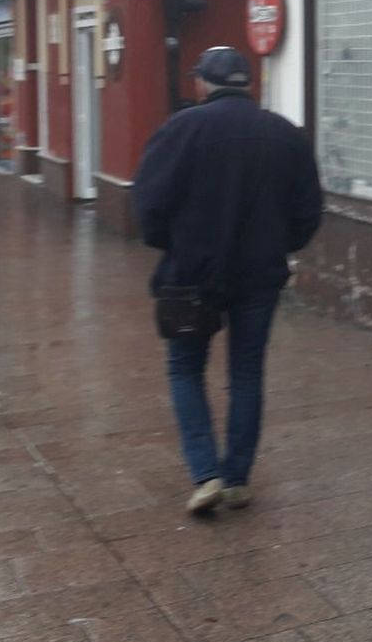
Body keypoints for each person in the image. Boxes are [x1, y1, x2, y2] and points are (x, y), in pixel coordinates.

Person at [133, 46, 323, 515]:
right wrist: (279, 243)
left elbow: (149, 205)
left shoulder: (180, 129)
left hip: (191, 276)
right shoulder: (285, 135)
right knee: (246, 372)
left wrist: (173, 244)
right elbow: (308, 211)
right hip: (260, 274)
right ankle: (237, 478)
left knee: (185, 367)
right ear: (246, 83)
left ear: (203, 84)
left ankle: (205, 474)